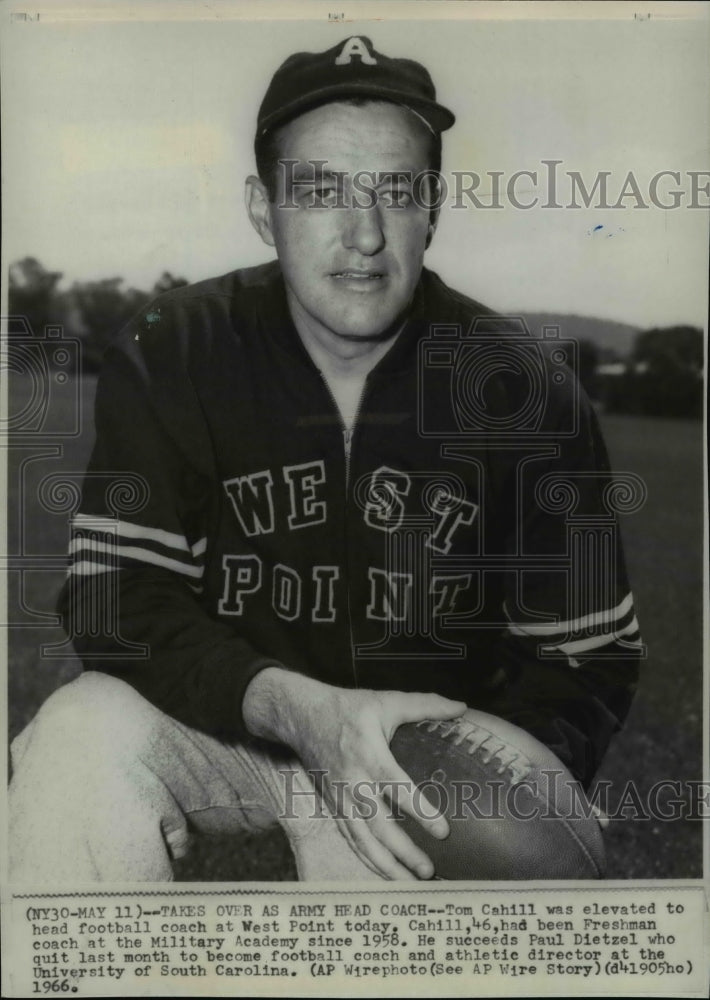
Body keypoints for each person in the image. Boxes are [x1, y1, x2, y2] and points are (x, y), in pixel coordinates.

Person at [9, 35, 642, 883]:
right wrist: (299, 710)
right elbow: (115, 596)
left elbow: (583, 655)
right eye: (319, 191)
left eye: (396, 191)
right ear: (262, 207)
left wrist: (504, 776)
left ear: (435, 207)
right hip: (227, 717)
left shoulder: (524, 389)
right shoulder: (180, 348)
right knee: (74, 741)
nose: (364, 234)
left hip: (408, 762)